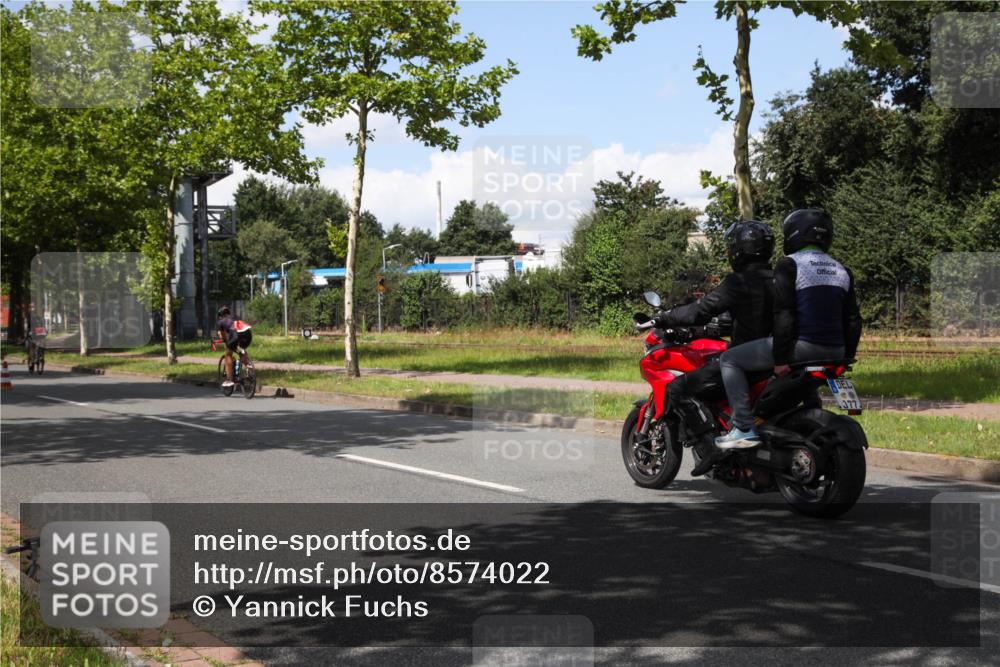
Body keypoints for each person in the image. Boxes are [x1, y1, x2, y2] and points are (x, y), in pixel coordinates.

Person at [714, 208, 862, 450]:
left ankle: (743, 426)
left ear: (795, 233)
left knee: (730, 359)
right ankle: (808, 420)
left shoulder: (790, 265)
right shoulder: (841, 269)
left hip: (802, 348)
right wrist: (846, 356)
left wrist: (781, 358)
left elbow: (784, 315)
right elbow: (854, 320)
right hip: (836, 352)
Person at [653, 220, 775, 476]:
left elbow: (701, 310)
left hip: (747, 360)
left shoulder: (738, 281)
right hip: (778, 357)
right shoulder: (779, 278)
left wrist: (666, 317)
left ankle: (711, 449)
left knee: (678, 388)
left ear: (738, 250)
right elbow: (750, 315)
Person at [216, 305, 252, 387]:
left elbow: (222, 336)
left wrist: (225, 341)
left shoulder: (221, 321)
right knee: (241, 350)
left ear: (220, 316)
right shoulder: (236, 317)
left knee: (228, 354)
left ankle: (229, 379)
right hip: (247, 334)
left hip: (236, 334)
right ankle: (249, 365)